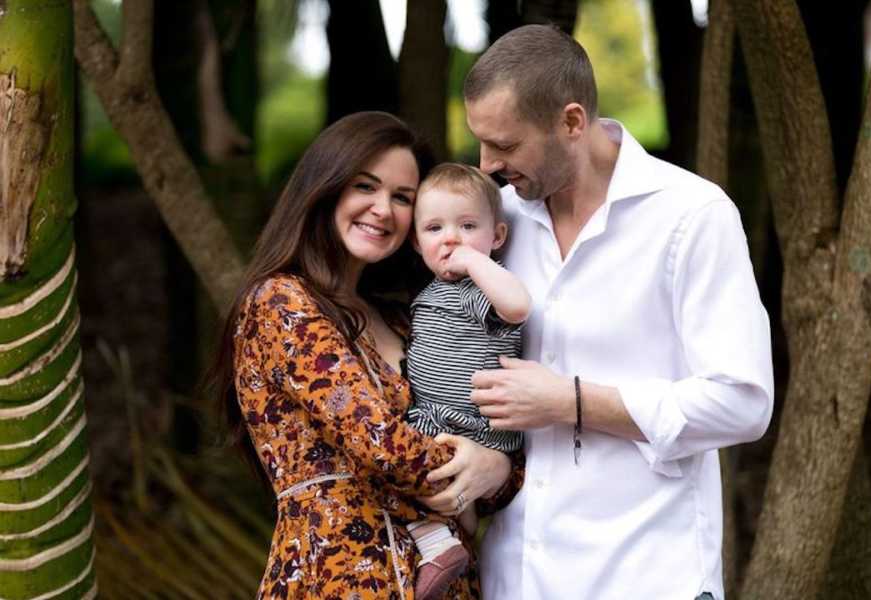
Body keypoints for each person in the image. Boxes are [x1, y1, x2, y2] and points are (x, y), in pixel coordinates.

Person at [458, 25, 774, 600]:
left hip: (648, 572)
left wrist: (572, 401)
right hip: (516, 576)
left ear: (572, 123)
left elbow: (743, 401)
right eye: (481, 143)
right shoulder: (493, 219)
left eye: (505, 146)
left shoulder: (691, 216)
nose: (488, 165)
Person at [208, 112, 512, 599]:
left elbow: (479, 419)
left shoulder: (405, 318)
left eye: (402, 198)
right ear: (326, 188)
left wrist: (498, 469)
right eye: (365, 187)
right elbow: (380, 443)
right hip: (338, 576)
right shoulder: (281, 303)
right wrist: (488, 466)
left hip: (445, 581)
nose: (382, 210)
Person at [402, 163, 531, 599]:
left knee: (425, 477)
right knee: (412, 479)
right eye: (434, 228)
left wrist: (476, 261)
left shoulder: (481, 289)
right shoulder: (428, 293)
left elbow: (517, 306)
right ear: (417, 242)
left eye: (468, 226)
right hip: (436, 419)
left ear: (496, 237)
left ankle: (442, 543)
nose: (450, 238)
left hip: (473, 425)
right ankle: (445, 547)